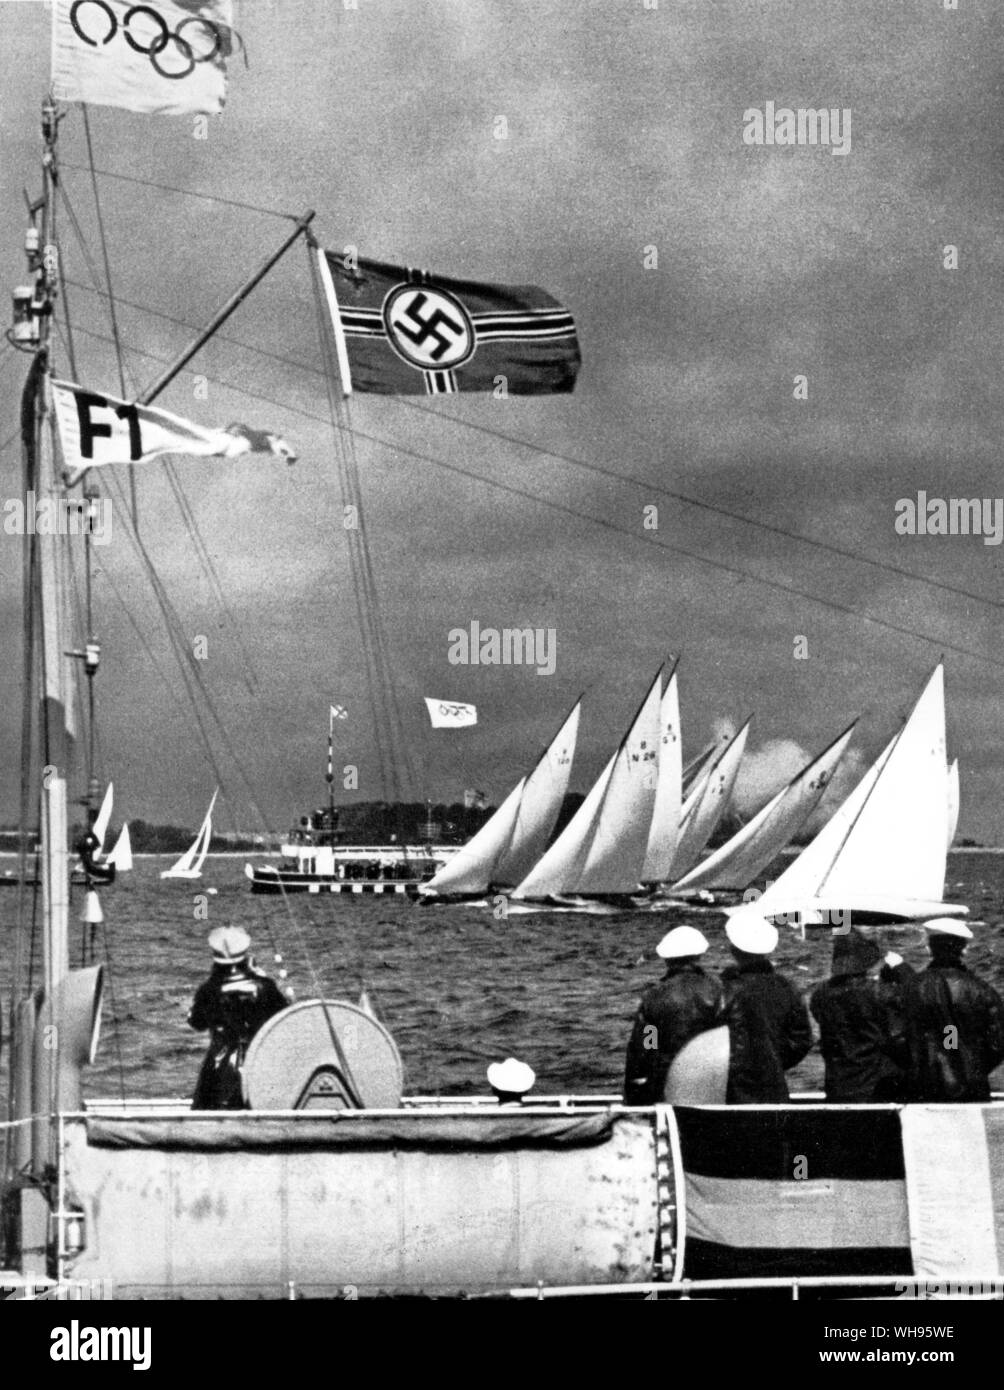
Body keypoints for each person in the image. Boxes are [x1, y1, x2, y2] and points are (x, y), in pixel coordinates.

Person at [890, 919, 1004, 1103]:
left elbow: (896, 1040)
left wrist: (916, 1068)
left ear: (929, 949)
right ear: (964, 950)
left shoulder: (908, 989)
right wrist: (974, 1069)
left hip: (921, 1088)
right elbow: (997, 1044)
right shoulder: (983, 990)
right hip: (972, 1089)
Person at [623, 926, 726, 1105]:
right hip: (715, 1080)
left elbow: (647, 1046)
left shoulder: (654, 997)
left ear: (667, 960)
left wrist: (634, 1089)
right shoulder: (720, 990)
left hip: (668, 1083)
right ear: (699, 956)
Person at [188, 925, 288, 1110]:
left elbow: (196, 1022)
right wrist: (262, 976)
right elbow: (285, 1018)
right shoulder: (264, 987)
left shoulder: (209, 989)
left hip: (218, 1068)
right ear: (245, 953)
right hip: (258, 1065)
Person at [721, 914, 812, 1103]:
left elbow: (709, 1040)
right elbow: (802, 1040)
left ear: (733, 950)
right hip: (774, 1084)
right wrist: (774, 1062)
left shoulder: (724, 990)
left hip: (732, 1087)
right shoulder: (788, 987)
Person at [810, 928, 907, 1102]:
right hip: (876, 1086)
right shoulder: (879, 992)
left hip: (837, 1086)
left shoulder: (821, 995)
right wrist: (902, 970)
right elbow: (913, 1005)